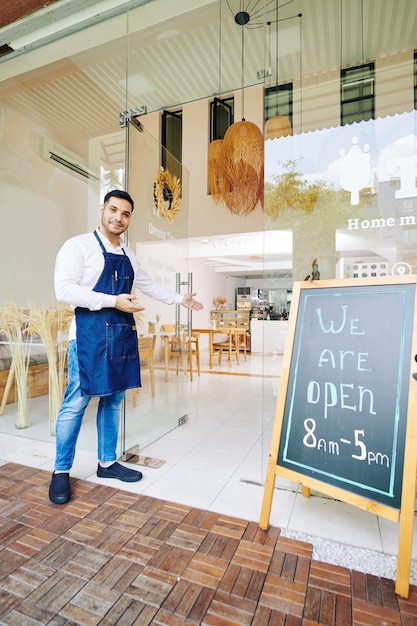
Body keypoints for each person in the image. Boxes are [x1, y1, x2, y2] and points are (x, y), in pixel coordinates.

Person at [48, 189, 203, 504]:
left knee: (114, 401)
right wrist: (111, 300)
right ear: (102, 210)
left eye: (126, 213)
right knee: (76, 403)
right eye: (113, 210)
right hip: (88, 336)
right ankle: (60, 471)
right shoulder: (77, 246)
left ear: (130, 219)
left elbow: (147, 286)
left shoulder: (130, 255)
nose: (118, 217)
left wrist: (179, 299)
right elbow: (64, 290)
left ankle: (107, 463)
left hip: (120, 334)